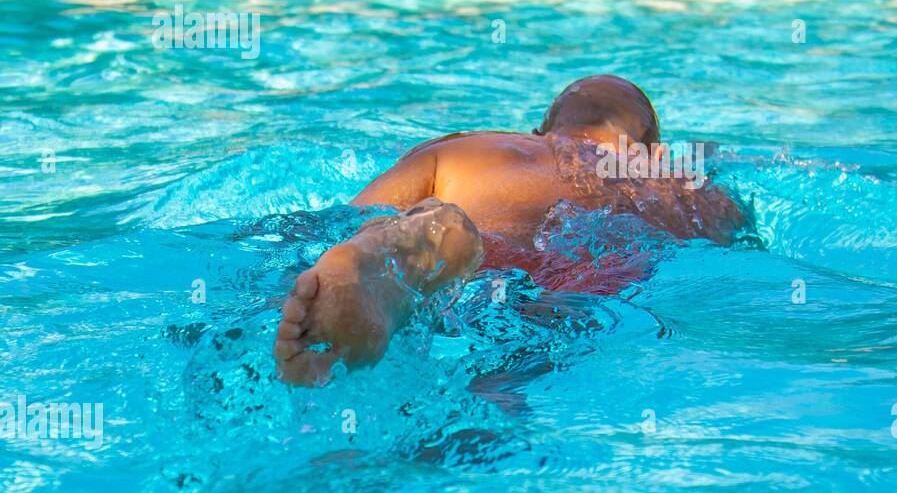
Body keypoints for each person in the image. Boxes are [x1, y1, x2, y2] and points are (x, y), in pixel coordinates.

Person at [274, 75, 745, 385]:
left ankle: (406, 259)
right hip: (581, 297)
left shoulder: (473, 149)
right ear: (653, 150)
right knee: (502, 380)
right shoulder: (688, 191)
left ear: (540, 131)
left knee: (449, 230)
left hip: (474, 271)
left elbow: (340, 220)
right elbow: (733, 258)